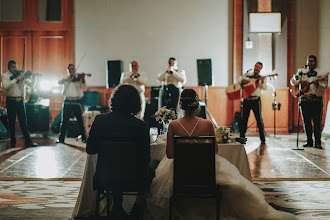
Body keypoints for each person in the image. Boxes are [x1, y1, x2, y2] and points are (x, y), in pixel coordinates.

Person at [146, 88, 295, 220]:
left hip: (181, 173)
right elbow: (214, 151)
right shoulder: (207, 124)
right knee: (235, 184)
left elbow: (171, 155)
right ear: (197, 105)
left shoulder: (173, 125)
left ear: (181, 105)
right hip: (205, 172)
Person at [86, 84, 157, 218]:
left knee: (115, 166)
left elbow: (90, 149)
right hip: (134, 179)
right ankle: (138, 203)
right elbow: (145, 158)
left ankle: (117, 204)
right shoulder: (141, 126)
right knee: (154, 166)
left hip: (105, 178)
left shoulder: (100, 120)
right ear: (136, 103)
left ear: (114, 100)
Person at [291, 55, 328, 149]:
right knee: (306, 122)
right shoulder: (302, 72)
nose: (310, 63)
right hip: (305, 100)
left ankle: (318, 142)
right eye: (308, 61)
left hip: (316, 100)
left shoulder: (321, 73)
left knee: (317, 122)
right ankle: (309, 141)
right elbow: (293, 81)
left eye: (312, 61)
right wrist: (300, 82)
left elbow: (324, 86)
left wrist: (318, 84)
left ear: (316, 63)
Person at [1, 60, 38, 148]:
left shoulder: (21, 75)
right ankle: (13, 142)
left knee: (23, 122)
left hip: (20, 101)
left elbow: (32, 85)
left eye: (16, 67)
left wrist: (34, 78)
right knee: (11, 123)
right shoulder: (4, 76)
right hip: (11, 101)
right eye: (13, 67)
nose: (15, 69)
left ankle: (28, 141)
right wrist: (15, 79)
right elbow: (5, 86)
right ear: (9, 68)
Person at [57, 64, 86, 143]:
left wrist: (82, 79)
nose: (71, 70)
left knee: (80, 120)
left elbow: (84, 87)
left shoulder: (79, 78)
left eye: (73, 69)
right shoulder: (65, 78)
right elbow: (59, 82)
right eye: (70, 69)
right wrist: (68, 79)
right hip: (67, 100)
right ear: (68, 70)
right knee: (64, 121)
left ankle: (84, 138)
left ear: (75, 69)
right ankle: (61, 139)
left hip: (76, 101)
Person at [238, 62, 267, 144]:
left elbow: (264, 88)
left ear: (260, 69)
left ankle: (263, 139)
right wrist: (243, 80)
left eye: (259, 67)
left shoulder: (261, 78)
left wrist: (263, 81)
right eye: (256, 66)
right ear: (254, 66)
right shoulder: (247, 75)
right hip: (247, 100)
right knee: (244, 119)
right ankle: (242, 137)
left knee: (259, 120)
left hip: (256, 100)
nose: (257, 68)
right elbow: (239, 79)